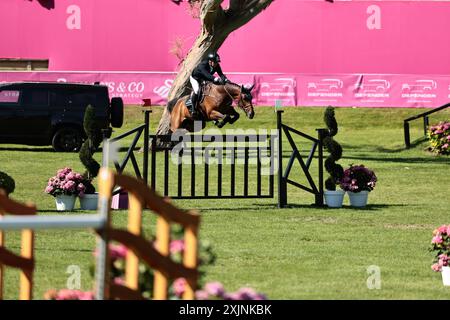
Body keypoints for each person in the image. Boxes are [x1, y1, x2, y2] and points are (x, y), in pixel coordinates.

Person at [188, 52, 229, 118]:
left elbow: (221, 74)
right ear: (210, 61)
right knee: (197, 90)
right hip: (195, 78)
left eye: (217, 62)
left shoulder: (216, 65)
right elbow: (206, 75)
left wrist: (225, 80)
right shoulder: (202, 65)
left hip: (205, 78)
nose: (216, 64)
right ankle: (193, 109)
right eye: (215, 62)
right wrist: (215, 78)